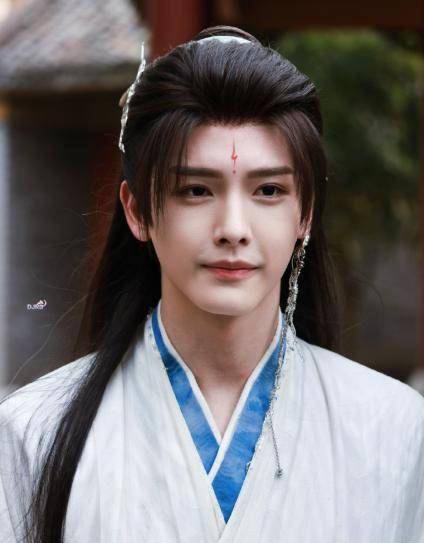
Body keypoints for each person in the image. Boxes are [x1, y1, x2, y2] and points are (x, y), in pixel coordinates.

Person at [1, 24, 423, 543]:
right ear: (137, 210)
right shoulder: (36, 430)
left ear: (306, 211)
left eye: (269, 190)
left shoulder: (394, 426)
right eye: (196, 190)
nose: (233, 229)